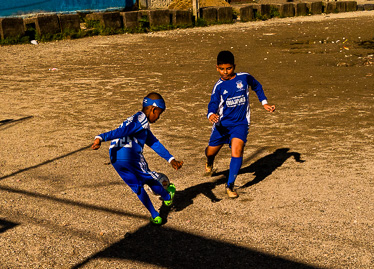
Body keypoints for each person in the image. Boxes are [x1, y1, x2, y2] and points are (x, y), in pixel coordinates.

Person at [92, 92, 183, 225]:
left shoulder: (138, 122)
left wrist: (170, 159)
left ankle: (155, 216)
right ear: (153, 109)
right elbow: (123, 131)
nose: (158, 117)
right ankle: (167, 196)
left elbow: (153, 142)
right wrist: (101, 137)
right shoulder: (140, 119)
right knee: (150, 179)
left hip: (115, 157)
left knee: (137, 187)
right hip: (130, 155)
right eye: (159, 113)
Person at [204, 50, 275, 198]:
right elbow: (213, 103)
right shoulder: (218, 87)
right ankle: (209, 161)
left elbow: (257, 86)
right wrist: (211, 115)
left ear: (234, 66)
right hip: (222, 125)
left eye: (228, 68)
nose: (225, 72)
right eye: (222, 69)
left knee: (237, 150)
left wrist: (264, 103)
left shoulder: (244, 78)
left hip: (240, 124)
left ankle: (230, 185)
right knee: (211, 151)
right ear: (217, 68)